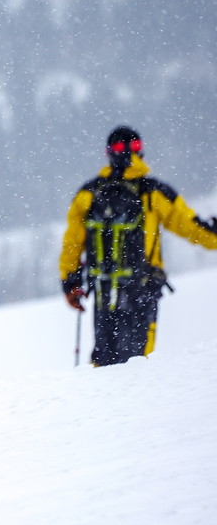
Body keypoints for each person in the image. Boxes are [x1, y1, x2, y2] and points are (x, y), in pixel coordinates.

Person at [58, 125, 217, 366]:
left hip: (104, 290)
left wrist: (69, 283)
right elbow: (191, 227)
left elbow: (72, 243)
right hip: (142, 290)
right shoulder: (152, 192)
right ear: (140, 153)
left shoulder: (89, 193)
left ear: (107, 153)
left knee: (104, 361)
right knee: (139, 363)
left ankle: (101, 401)